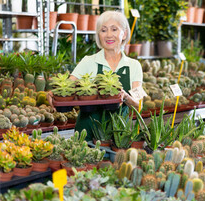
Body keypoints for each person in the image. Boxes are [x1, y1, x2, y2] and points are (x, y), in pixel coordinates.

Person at [49, 11, 142, 141]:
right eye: (103, 30)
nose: (109, 35)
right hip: (86, 133)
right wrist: (54, 93)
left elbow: (139, 104)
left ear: (124, 33)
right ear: (98, 35)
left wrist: (125, 97)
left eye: (114, 29)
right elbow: (68, 87)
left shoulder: (134, 65)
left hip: (119, 137)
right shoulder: (88, 61)